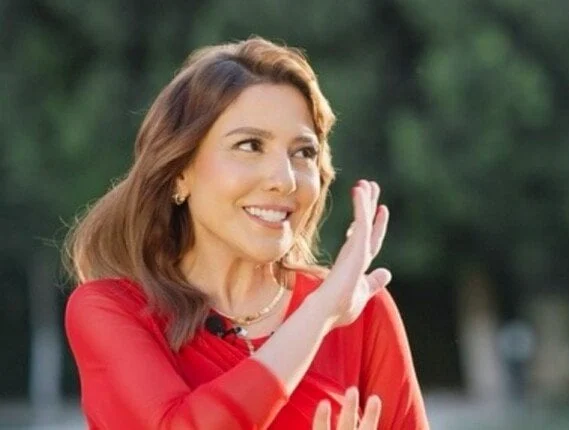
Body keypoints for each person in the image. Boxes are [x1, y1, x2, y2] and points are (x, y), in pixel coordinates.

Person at [63, 36, 429, 429]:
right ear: (179, 172)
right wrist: (321, 314)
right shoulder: (110, 310)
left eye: (303, 152)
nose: (285, 180)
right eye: (250, 145)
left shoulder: (363, 311)